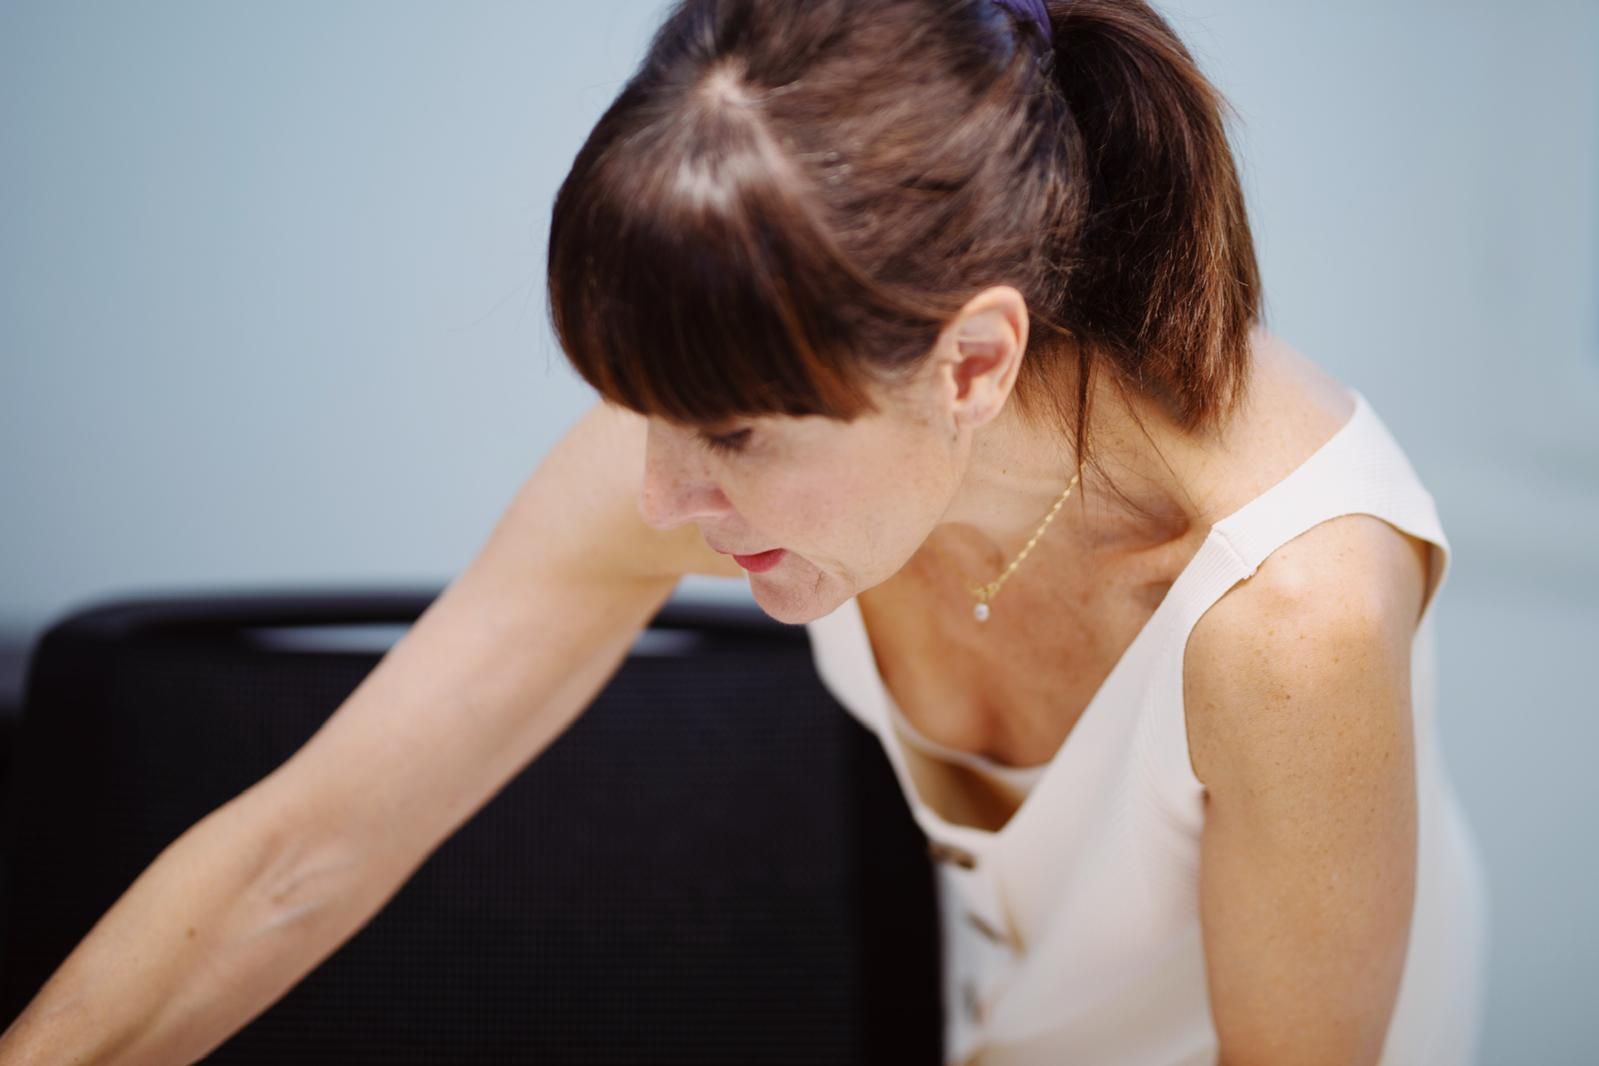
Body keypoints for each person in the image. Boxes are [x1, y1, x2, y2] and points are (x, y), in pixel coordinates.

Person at [0, 0, 1488, 1064]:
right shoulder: (740, 421)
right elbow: (300, 851)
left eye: (726, 436)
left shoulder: (1292, 614)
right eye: (640, 410)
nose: (657, 500)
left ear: (971, 363)